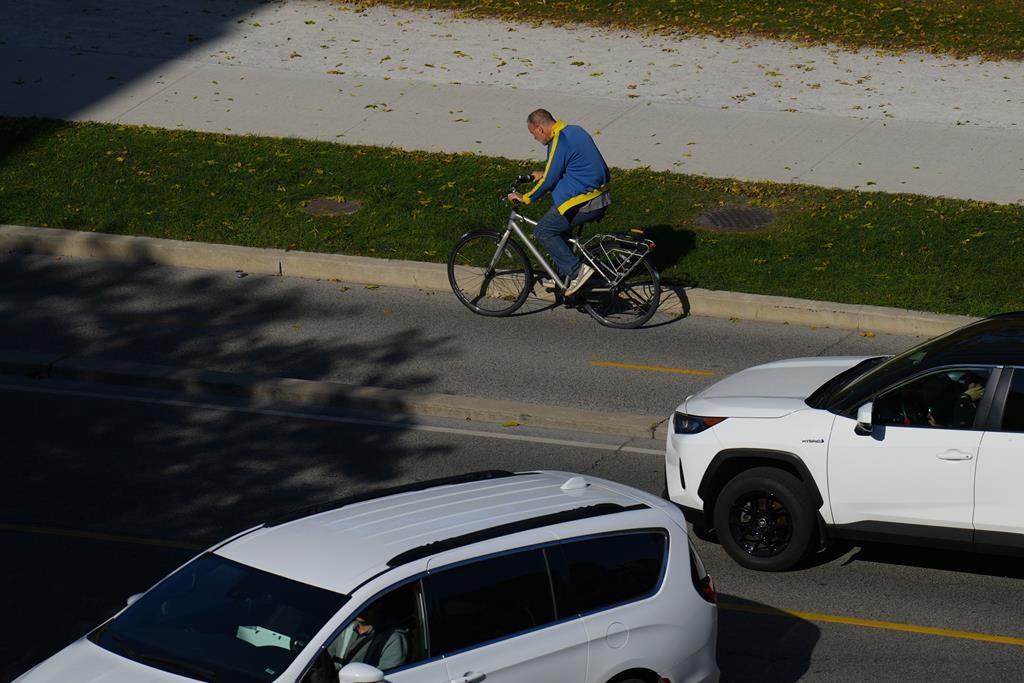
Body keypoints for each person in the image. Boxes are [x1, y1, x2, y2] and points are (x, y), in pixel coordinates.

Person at [507, 109, 611, 296]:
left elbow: (549, 181)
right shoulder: (574, 131)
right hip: (598, 194)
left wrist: (526, 197)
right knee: (559, 231)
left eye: (533, 134)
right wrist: (543, 174)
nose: (534, 138)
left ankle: (576, 271)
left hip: (584, 201)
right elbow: (566, 165)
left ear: (540, 129)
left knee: (544, 230)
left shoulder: (559, 141)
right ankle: (563, 276)